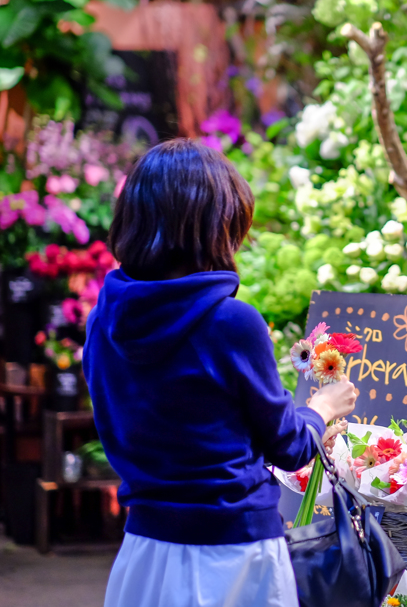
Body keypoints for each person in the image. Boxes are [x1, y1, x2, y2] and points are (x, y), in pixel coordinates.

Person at [84, 139, 356, 607]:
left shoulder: (103, 320)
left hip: (144, 553)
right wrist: (320, 409)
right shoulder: (231, 323)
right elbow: (289, 447)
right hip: (234, 554)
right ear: (215, 225)